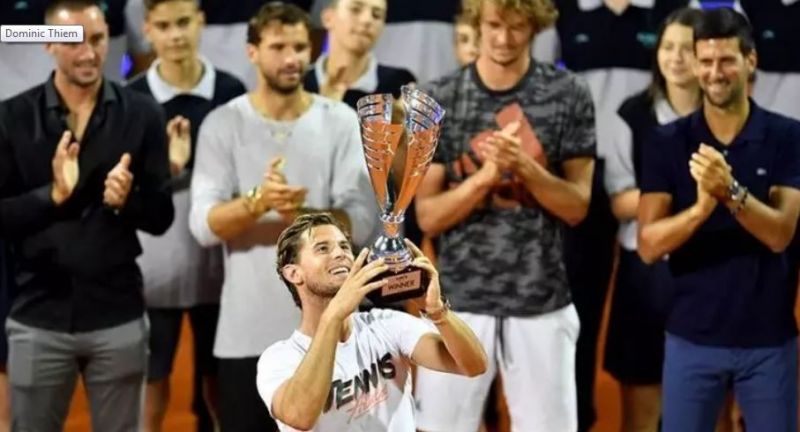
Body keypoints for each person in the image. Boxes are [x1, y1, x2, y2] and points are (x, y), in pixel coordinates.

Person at [188, 3, 377, 430]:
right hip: (245, 334)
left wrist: (301, 216)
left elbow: (362, 221)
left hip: (335, 334)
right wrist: (257, 202)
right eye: (278, 47)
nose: (292, 58)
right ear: (252, 52)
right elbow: (202, 225)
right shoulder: (222, 123)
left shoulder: (341, 121)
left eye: (300, 46)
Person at [413, 0, 595, 430]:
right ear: (477, 21)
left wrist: (526, 169)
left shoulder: (568, 93)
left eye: (517, 27)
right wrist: (486, 177)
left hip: (542, 300)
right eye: (494, 24)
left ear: (536, 26)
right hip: (457, 305)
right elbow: (428, 217)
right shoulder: (441, 97)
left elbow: (577, 208)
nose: (503, 38)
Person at [0, 0, 175, 430]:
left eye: (96, 39)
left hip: (118, 315)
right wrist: (53, 195)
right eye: (71, 40)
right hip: (37, 316)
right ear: (47, 45)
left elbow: (161, 216)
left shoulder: (143, 114)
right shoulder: (11, 118)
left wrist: (125, 201)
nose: (88, 53)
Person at [638, 8, 800, 431]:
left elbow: (782, 234)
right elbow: (650, 244)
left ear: (751, 61)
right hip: (691, 340)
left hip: (770, 341)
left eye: (727, 60)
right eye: (705, 61)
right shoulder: (667, 141)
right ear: (693, 64)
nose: (715, 72)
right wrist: (699, 210)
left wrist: (729, 192)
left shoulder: (789, 136)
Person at [126, 0, 247, 430]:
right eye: (164, 25)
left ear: (201, 23)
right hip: (152, 271)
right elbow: (121, 190)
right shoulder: (130, 98)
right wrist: (170, 171)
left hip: (220, 269)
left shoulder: (233, 92)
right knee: (152, 380)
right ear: (147, 31)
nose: (175, 34)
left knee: (219, 384)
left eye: (183, 23)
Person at [255, 212, 487, 431]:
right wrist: (333, 317)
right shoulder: (279, 358)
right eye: (323, 248)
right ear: (294, 274)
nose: (340, 253)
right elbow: (300, 416)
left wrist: (438, 312)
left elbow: (473, 365)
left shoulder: (385, 324)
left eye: (344, 246)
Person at [600, 8, 703, 431]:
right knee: (641, 398)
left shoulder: (729, 113)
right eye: (668, 47)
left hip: (708, 272)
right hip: (643, 273)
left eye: (688, 48)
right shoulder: (631, 113)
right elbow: (621, 202)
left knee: (707, 399)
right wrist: (694, 201)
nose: (676, 58)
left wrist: (659, 201)